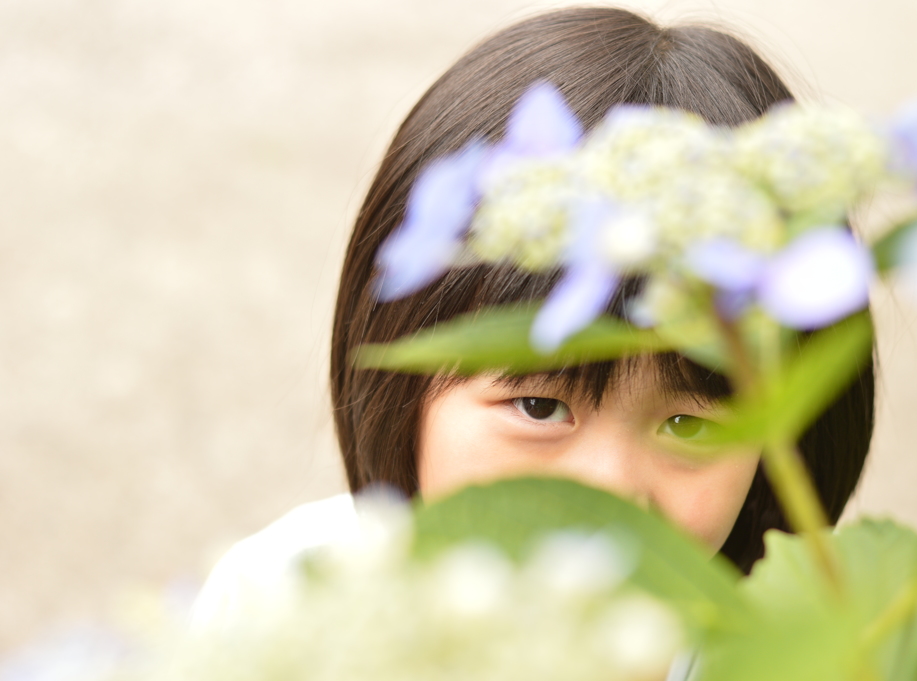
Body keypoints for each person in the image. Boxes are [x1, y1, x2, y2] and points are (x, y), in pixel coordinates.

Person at [190, 6, 875, 628]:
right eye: (540, 407)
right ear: (403, 385)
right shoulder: (281, 603)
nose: (608, 491)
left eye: (688, 423)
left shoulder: (814, 645)